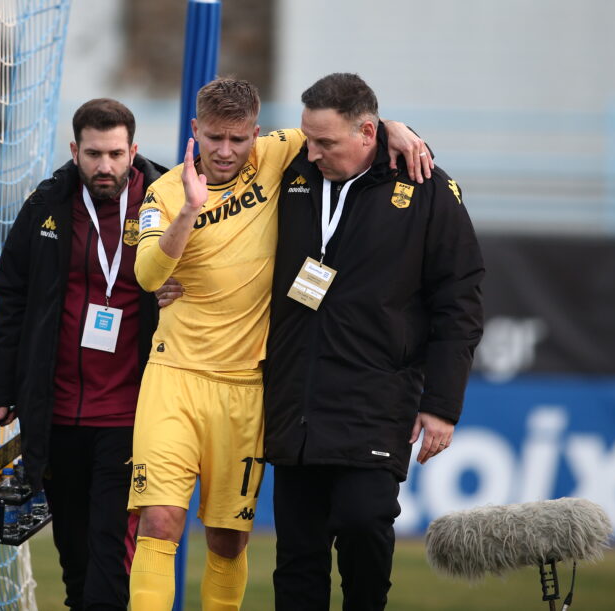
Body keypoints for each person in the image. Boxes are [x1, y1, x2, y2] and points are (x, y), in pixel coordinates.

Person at [129, 78, 431, 611]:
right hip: (173, 377)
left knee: (227, 539)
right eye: (215, 138)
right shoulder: (167, 191)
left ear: (258, 134)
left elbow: (346, 127)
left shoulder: (280, 154)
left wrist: (395, 129)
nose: (226, 152)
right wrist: (187, 215)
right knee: (159, 521)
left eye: (238, 139)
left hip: (248, 389)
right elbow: (150, 274)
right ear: (194, 130)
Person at [264, 73, 485, 609]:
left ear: (367, 135)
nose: (311, 153)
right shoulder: (292, 170)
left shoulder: (427, 187)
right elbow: (219, 160)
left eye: (326, 143)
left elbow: (461, 302)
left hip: (375, 397)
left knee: (364, 524)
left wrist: (441, 406)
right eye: (307, 138)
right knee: (297, 557)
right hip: (297, 398)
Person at [0, 98, 166, 611]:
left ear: (132, 149)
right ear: (75, 150)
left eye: (114, 153)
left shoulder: (167, 201)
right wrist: (2, 388)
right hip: (57, 413)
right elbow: (12, 295)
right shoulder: (45, 204)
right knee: (74, 560)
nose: (104, 166)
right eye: (93, 153)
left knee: (109, 557)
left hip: (131, 414)